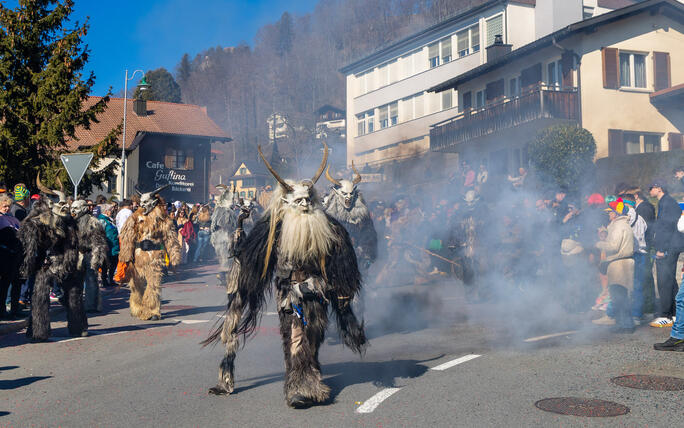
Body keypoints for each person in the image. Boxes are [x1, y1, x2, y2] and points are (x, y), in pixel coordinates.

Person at [592, 199, 635, 333]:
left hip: (619, 264)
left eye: (610, 212)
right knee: (621, 296)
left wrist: (599, 244)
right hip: (623, 262)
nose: (609, 214)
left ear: (616, 213)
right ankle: (624, 324)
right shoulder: (622, 225)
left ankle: (626, 325)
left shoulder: (618, 226)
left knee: (619, 296)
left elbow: (613, 246)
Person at [648, 180, 681, 327]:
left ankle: (666, 315)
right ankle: (675, 314)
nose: (649, 191)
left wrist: (662, 248)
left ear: (659, 188)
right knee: (669, 280)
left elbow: (667, 227)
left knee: (664, 281)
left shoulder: (667, 203)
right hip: (670, 246)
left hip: (669, 247)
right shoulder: (665, 202)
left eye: (651, 188)